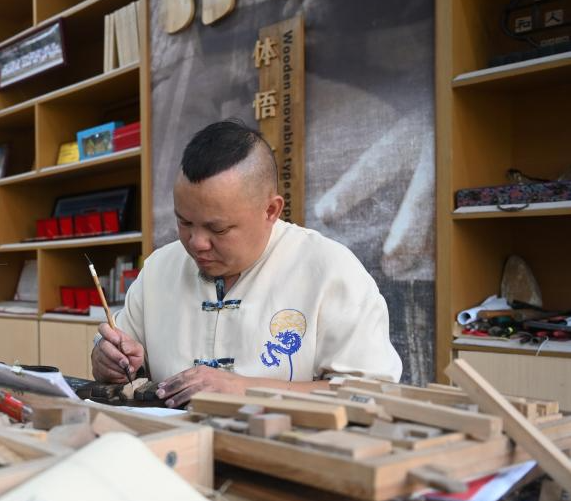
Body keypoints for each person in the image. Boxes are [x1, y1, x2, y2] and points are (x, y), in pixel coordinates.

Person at [91, 120, 402, 407]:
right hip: (170, 442)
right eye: (184, 222)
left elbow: (373, 394)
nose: (196, 243)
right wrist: (109, 362)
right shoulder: (160, 268)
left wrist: (246, 388)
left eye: (218, 229)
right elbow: (119, 359)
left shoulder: (330, 270)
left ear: (271, 210)